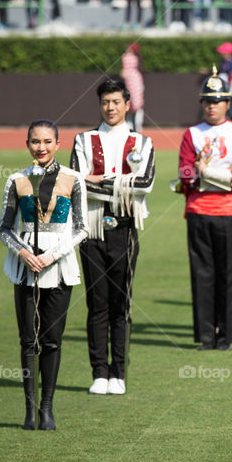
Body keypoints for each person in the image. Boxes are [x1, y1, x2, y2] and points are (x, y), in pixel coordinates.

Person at [0, 119, 88, 429]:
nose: (42, 147)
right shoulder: (16, 180)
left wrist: (51, 255)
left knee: (51, 340)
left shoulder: (74, 179)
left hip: (59, 266)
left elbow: (81, 229)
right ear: (27, 145)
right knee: (28, 340)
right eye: (35, 142)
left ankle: (46, 408)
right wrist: (23, 253)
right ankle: (28, 408)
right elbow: (4, 227)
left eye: (48, 141)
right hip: (25, 267)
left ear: (57, 144)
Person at [71, 79, 155, 394]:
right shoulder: (84, 139)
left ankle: (118, 372)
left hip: (125, 226)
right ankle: (99, 373)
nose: (111, 107)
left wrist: (100, 179)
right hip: (90, 228)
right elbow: (76, 183)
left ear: (127, 104)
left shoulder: (142, 142)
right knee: (97, 303)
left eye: (116, 101)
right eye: (106, 102)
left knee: (121, 303)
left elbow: (145, 184)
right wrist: (120, 183)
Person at [176, 67, 232, 350]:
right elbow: (185, 173)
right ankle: (206, 336)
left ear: (227, 104)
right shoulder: (192, 133)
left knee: (229, 275)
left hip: (231, 211)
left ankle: (226, 336)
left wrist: (205, 171)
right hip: (198, 210)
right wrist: (223, 172)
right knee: (202, 274)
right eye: (207, 101)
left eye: (217, 100)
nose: (211, 105)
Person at [120, 44, 145, 131]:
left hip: (131, 82)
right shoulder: (137, 58)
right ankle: (137, 126)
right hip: (136, 81)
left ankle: (130, 125)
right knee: (137, 106)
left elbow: (123, 73)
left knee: (129, 105)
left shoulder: (126, 57)